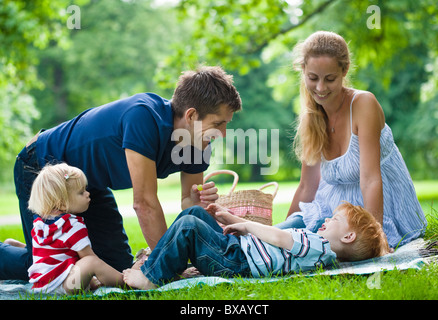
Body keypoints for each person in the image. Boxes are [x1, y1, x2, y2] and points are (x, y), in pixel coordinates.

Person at [0, 66, 242, 281]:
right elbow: (145, 203)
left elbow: (188, 201)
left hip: (87, 186)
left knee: (115, 267)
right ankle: (15, 252)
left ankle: (30, 247)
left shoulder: (198, 143)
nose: (223, 133)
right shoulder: (143, 117)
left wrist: (197, 203)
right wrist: (169, 267)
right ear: (191, 116)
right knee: (45, 270)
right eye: (218, 123)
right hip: (42, 168)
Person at [282, 31, 427, 249]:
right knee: (280, 233)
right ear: (303, 71)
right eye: (313, 78)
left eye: (329, 79)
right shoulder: (311, 117)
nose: (320, 88)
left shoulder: (363, 104)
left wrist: (375, 239)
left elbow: (370, 179)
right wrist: (287, 228)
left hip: (371, 213)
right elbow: (306, 187)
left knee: (308, 246)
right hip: (331, 213)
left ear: (344, 70)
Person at [122, 203, 389, 289]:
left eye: (336, 220)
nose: (328, 219)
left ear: (348, 238)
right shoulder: (317, 246)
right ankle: (161, 266)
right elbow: (271, 237)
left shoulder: (319, 247)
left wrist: (246, 225)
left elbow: (279, 237)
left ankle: (151, 279)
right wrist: (231, 219)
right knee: (194, 213)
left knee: (190, 225)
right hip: (237, 249)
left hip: (236, 261)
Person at [24, 163, 125, 295]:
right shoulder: (71, 225)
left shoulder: (40, 223)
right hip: (63, 286)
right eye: (81, 192)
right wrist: (92, 278)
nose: (88, 194)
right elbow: (88, 257)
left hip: (41, 285)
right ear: (61, 201)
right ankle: (126, 282)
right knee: (91, 262)